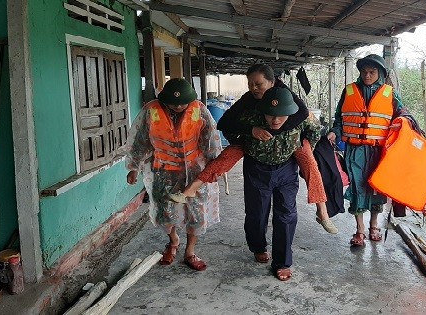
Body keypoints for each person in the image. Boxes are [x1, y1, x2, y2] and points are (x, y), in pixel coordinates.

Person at [171, 64, 338, 235]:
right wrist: (246, 135)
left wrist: (295, 139)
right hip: (252, 144)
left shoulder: (285, 94)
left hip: (291, 143)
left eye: (258, 84)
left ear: (272, 82)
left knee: (310, 164)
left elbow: (305, 115)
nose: (254, 88)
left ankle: (322, 211)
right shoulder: (249, 100)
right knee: (224, 160)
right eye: (250, 84)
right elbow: (225, 123)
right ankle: (191, 189)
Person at [125, 78, 222, 271]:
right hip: (164, 171)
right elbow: (139, 140)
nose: (178, 106)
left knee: (196, 212)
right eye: (173, 103)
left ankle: (190, 251)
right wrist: (134, 167)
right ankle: (173, 241)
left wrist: (214, 167)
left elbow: (210, 139)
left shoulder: (200, 109)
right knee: (165, 212)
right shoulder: (151, 110)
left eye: (182, 102)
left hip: (195, 172)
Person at [327, 54, 409, 246]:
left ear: (379, 73)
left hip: (379, 151)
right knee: (357, 187)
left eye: (372, 72)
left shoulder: (390, 93)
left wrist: (403, 123)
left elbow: (403, 115)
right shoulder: (349, 91)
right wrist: (334, 132)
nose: (367, 75)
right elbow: (339, 118)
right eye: (364, 71)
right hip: (355, 150)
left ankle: (374, 226)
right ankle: (359, 231)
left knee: (376, 188)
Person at [241, 87, 321, 281]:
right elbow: (229, 128)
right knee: (257, 213)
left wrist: (303, 151)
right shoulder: (251, 117)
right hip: (257, 169)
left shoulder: (302, 117)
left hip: (286, 169)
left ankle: (283, 261)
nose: (275, 120)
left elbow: (316, 131)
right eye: (270, 115)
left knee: (286, 214)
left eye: (281, 116)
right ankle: (258, 246)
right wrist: (250, 132)